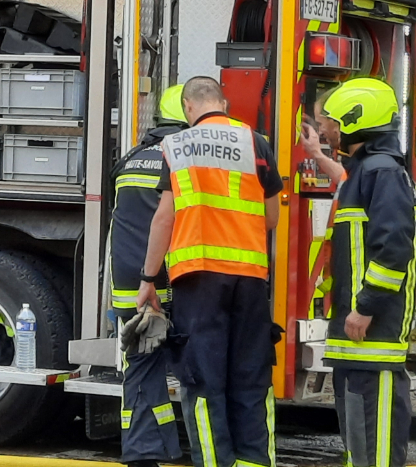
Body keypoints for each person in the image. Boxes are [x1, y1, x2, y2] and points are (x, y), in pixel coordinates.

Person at [137, 75, 284, 467]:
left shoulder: (177, 146)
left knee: (203, 382)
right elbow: (271, 218)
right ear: (224, 103)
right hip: (251, 279)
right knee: (251, 378)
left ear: (188, 107)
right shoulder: (256, 142)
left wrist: (149, 280)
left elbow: (164, 218)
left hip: (198, 279)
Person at [308, 78, 413, 467]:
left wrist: (366, 306)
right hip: (356, 335)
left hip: (373, 332)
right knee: (360, 443)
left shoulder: (381, 172)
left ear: (356, 120)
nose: (324, 129)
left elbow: (395, 245)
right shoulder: (365, 172)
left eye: (331, 122)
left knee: (376, 445)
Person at [111, 85, 186, 467]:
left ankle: (148, 453)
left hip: (128, 289)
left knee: (142, 368)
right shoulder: (182, 161)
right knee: (191, 370)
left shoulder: (132, 158)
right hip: (163, 285)